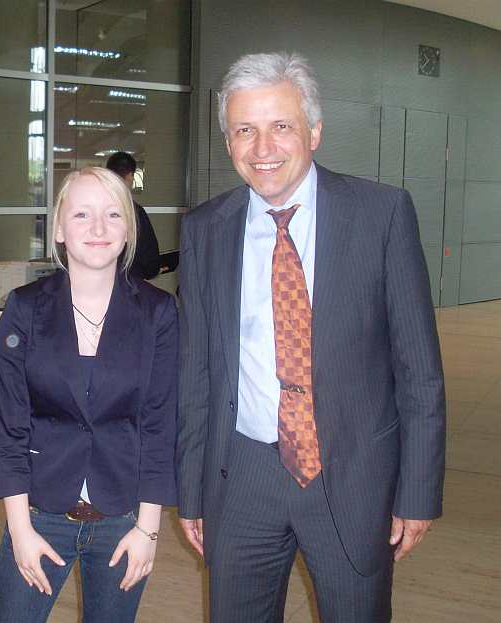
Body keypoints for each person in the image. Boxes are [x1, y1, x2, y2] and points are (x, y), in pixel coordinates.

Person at [176, 52, 445, 623]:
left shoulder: (382, 215)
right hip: (242, 476)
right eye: (244, 130)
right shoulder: (204, 231)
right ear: (228, 143)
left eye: (281, 126)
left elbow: (418, 369)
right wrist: (193, 489)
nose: (263, 147)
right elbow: (196, 373)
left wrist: (417, 490)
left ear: (314, 132)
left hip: (350, 476)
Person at [0, 166, 178, 623]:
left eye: (114, 214)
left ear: (129, 229)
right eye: (82, 215)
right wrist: (20, 529)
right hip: (38, 514)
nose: (98, 229)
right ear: (58, 228)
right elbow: (8, 428)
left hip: (123, 520)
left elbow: (160, 424)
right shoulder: (25, 308)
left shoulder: (158, 313)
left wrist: (148, 530)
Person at [106, 151, 161, 280]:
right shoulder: (134, 212)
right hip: (129, 286)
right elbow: (150, 261)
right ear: (130, 176)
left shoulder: (94, 208)